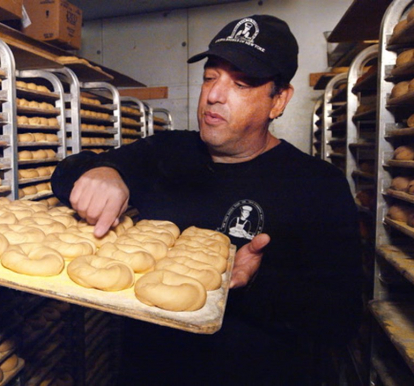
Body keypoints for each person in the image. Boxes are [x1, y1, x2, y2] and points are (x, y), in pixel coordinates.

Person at [51, 14, 363, 385]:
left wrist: (258, 281)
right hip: (148, 373)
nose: (214, 95)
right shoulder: (166, 152)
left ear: (278, 100)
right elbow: (65, 173)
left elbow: (341, 320)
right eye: (210, 77)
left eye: (241, 83)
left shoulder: (317, 186)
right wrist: (103, 172)